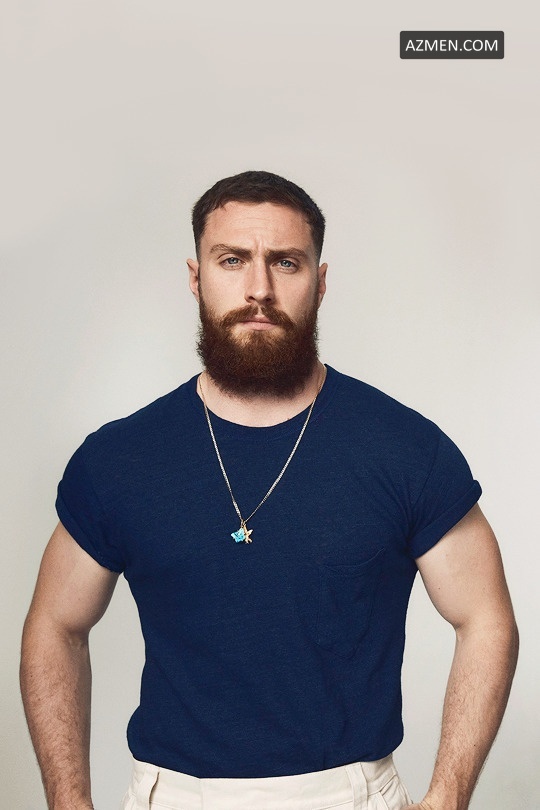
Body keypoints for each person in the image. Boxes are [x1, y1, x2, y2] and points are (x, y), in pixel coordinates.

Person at [20, 170, 518, 810]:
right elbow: (55, 624)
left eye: (285, 262)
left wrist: (448, 797)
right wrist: (68, 800)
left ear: (321, 281)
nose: (259, 288)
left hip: (348, 794)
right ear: (196, 277)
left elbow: (486, 617)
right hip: (175, 796)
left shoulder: (404, 449)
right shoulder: (119, 458)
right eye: (232, 260)